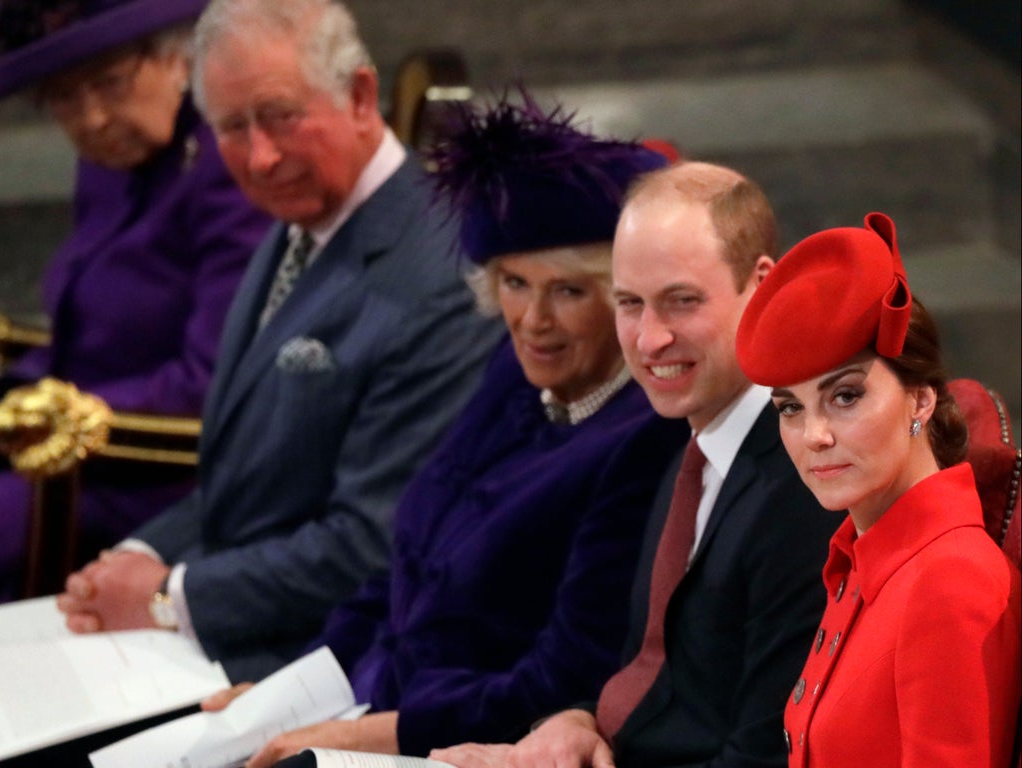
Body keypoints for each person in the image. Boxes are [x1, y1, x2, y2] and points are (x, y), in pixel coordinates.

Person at [198, 92, 686, 767]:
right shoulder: (514, 377)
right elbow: (398, 576)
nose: (533, 319)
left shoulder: (642, 438)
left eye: (568, 291)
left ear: (622, 299)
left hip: (462, 746)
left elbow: (564, 677)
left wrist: (362, 735)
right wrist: (288, 699)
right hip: (368, 706)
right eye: (514, 283)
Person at [56, 0, 500, 682]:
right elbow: (247, 487)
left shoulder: (439, 274)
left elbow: (374, 545)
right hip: (232, 635)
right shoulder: (300, 220)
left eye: (281, 116)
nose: (261, 157)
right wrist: (134, 559)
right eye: (233, 127)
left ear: (359, 96)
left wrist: (167, 596)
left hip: (333, 668)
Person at [432, 161, 840, 768]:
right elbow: (656, 685)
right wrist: (576, 721)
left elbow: (762, 756)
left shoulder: (805, 483)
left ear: (761, 285)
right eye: (630, 303)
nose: (649, 340)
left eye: (681, 302)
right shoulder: (690, 452)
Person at [0, 0, 272, 599]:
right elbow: (84, 334)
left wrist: (44, 418)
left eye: (110, 83)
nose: (92, 118)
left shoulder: (232, 163)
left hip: (152, 475)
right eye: (63, 97)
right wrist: (17, 391)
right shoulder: (112, 157)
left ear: (179, 58)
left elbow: (211, 385)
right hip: (66, 441)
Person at [734, 212, 1021, 768]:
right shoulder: (865, 555)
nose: (814, 436)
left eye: (845, 396)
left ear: (921, 398)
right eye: (790, 408)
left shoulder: (947, 581)